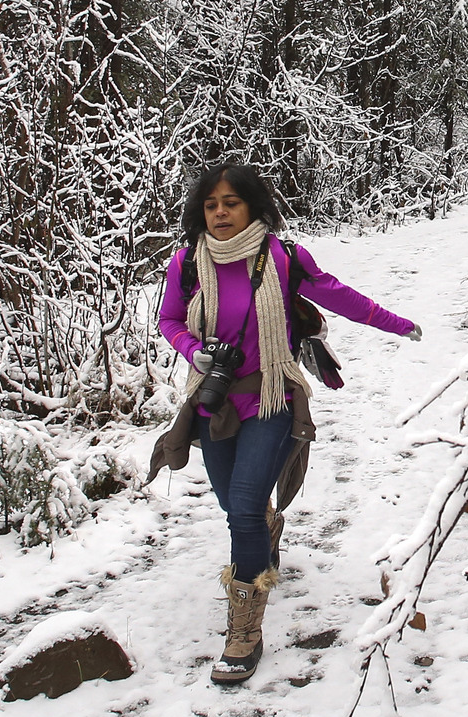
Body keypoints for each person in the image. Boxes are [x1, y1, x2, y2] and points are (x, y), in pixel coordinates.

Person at [153, 163, 419, 685]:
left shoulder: (283, 257)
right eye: (211, 205)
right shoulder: (186, 263)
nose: (221, 212)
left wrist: (396, 323)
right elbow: (170, 320)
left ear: (253, 206)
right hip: (214, 403)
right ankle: (266, 530)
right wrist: (194, 351)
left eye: (232, 202)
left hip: (272, 398)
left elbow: (337, 294)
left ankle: (244, 629)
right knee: (237, 506)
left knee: (245, 505)